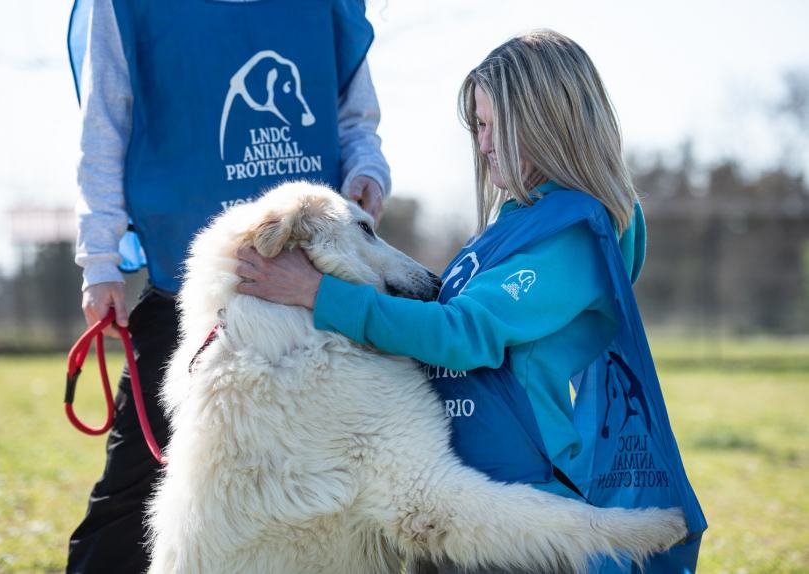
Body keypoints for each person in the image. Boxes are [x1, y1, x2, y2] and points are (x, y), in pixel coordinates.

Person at [235, 29, 706, 573]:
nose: (481, 145)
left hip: (515, 508)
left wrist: (318, 293)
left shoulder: (571, 235)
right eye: (477, 126)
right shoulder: (517, 223)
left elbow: (462, 335)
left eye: (492, 126)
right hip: (451, 495)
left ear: (544, 121)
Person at [65, 0, 391, 571]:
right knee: (135, 488)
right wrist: (99, 261)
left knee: (327, 483)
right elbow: (105, 123)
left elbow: (355, 119)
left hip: (311, 294)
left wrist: (367, 172)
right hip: (189, 294)